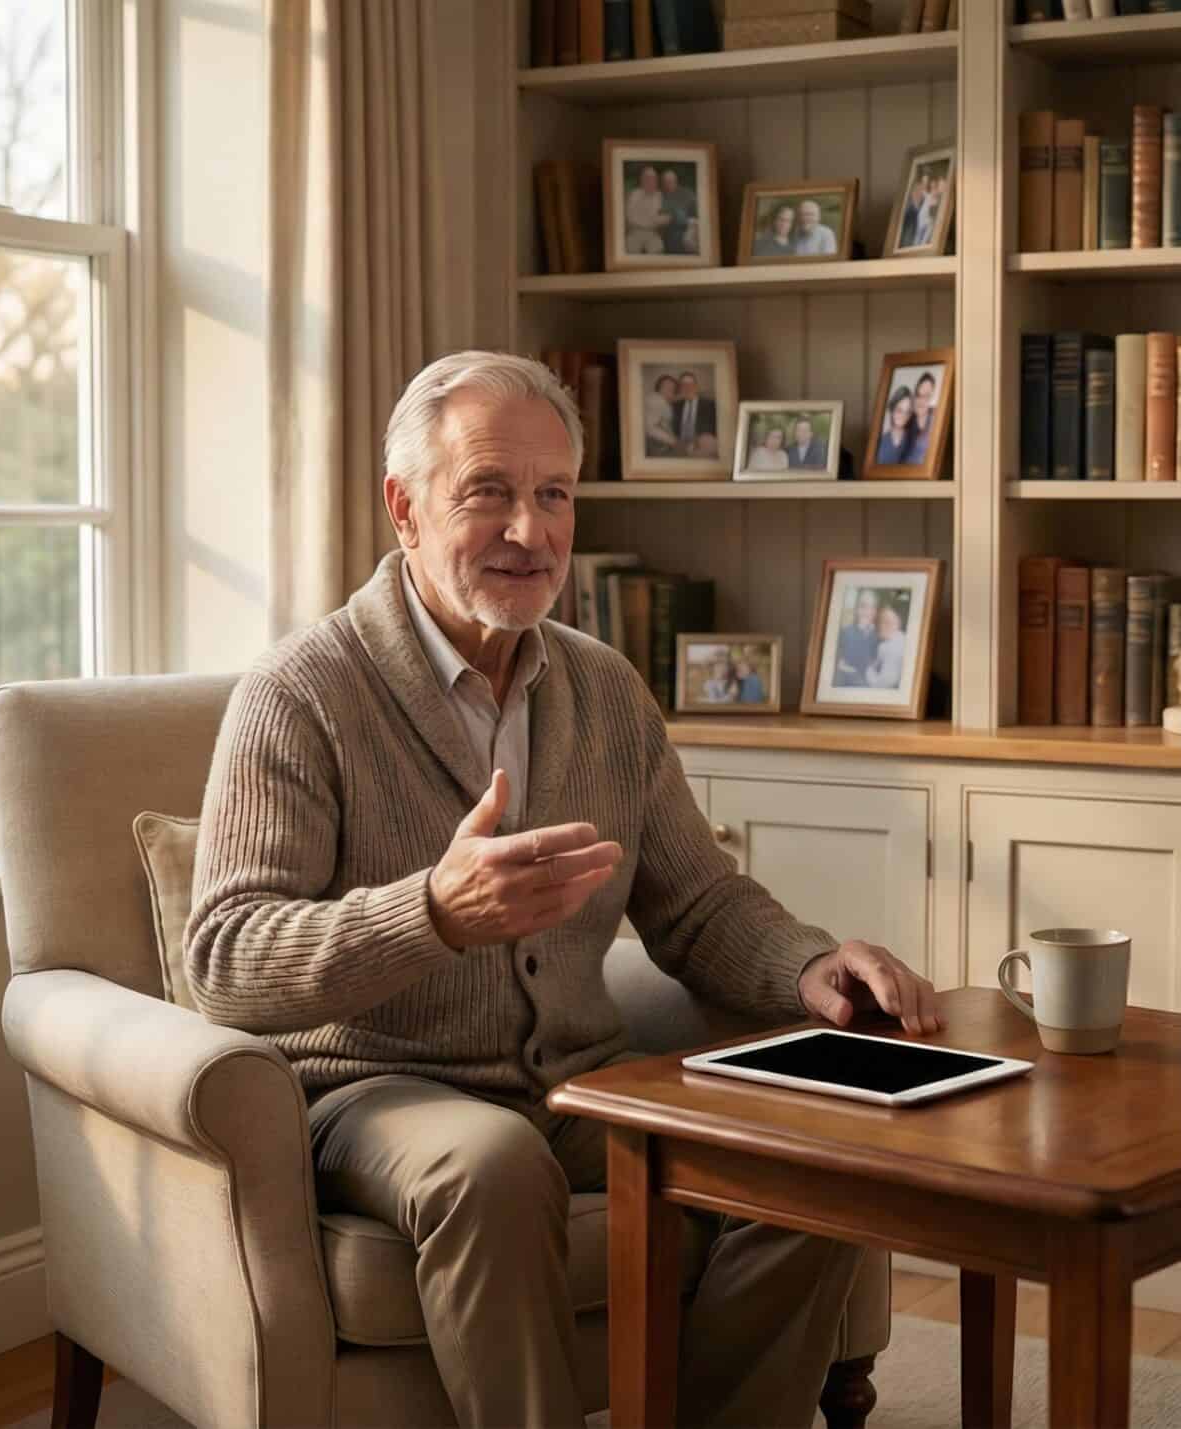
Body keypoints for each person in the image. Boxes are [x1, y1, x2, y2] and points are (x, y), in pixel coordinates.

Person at [185, 351, 940, 1429]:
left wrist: (811, 963)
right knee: (489, 1166)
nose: (528, 533)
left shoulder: (604, 688)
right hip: (371, 1090)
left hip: (579, 1081)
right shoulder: (300, 694)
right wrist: (433, 914)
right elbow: (224, 959)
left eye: (552, 496)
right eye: (487, 492)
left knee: (813, 1152)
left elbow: (695, 902)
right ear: (404, 507)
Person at [832, 588, 881, 687]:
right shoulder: (845, 633)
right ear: (857, 608)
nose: (868, 611)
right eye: (863, 606)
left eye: (872, 607)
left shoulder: (881, 637)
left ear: (876, 611)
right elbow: (839, 666)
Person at [622, 164, 669, 254]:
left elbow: (666, 218)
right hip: (635, 231)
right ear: (642, 180)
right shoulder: (634, 195)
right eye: (647, 178)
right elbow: (630, 217)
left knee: (658, 251)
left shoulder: (661, 196)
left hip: (653, 233)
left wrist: (653, 219)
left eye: (653, 178)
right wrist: (653, 219)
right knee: (629, 251)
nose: (650, 181)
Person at [865, 601, 909, 690]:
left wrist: (868, 670)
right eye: (880, 621)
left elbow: (882, 685)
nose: (881, 626)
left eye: (888, 622)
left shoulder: (895, 646)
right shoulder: (885, 644)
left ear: (898, 623)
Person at [673, 370, 718, 456]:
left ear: (697, 387)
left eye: (691, 384)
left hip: (701, 447)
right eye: (683, 385)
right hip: (679, 446)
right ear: (680, 388)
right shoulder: (675, 406)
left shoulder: (710, 405)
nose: (687, 388)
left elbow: (714, 431)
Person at [872, 387, 920, 467]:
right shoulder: (879, 442)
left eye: (907, 412)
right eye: (899, 410)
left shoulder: (914, 440)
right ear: (892, 409)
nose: (903, 416)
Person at [659, 167, 699, 255]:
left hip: (689, 227)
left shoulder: (687, 194)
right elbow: (659, 216)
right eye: (665, 181)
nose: (668, 184)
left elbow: (697, 214)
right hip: (670, 230)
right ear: (662, 183)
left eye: (671, 181)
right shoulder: (660, 196)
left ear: (676, 181)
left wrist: (692, 227)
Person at [644, 373, 681, 456]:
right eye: (665, 387)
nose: (669, 390)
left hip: (663, 442)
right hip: (656, 444)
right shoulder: (655, 400)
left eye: (672, 388)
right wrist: (673, 441)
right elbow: (650, 428)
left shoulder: (665, 402)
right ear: (659, 388)